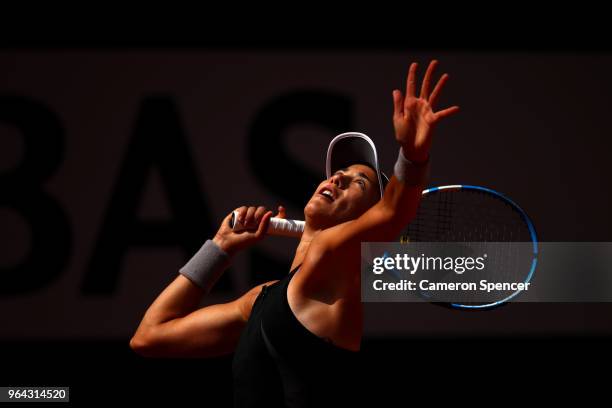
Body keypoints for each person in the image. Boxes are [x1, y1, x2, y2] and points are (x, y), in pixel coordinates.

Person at [130, 60, 459, 407]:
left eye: (358, 183)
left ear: (367, 222)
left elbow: (395, 210)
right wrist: (220, 247)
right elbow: (149, 336)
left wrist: (413, 154)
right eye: (340, 172)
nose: (338, 179)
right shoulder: (262, 299)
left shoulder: (331, 261)